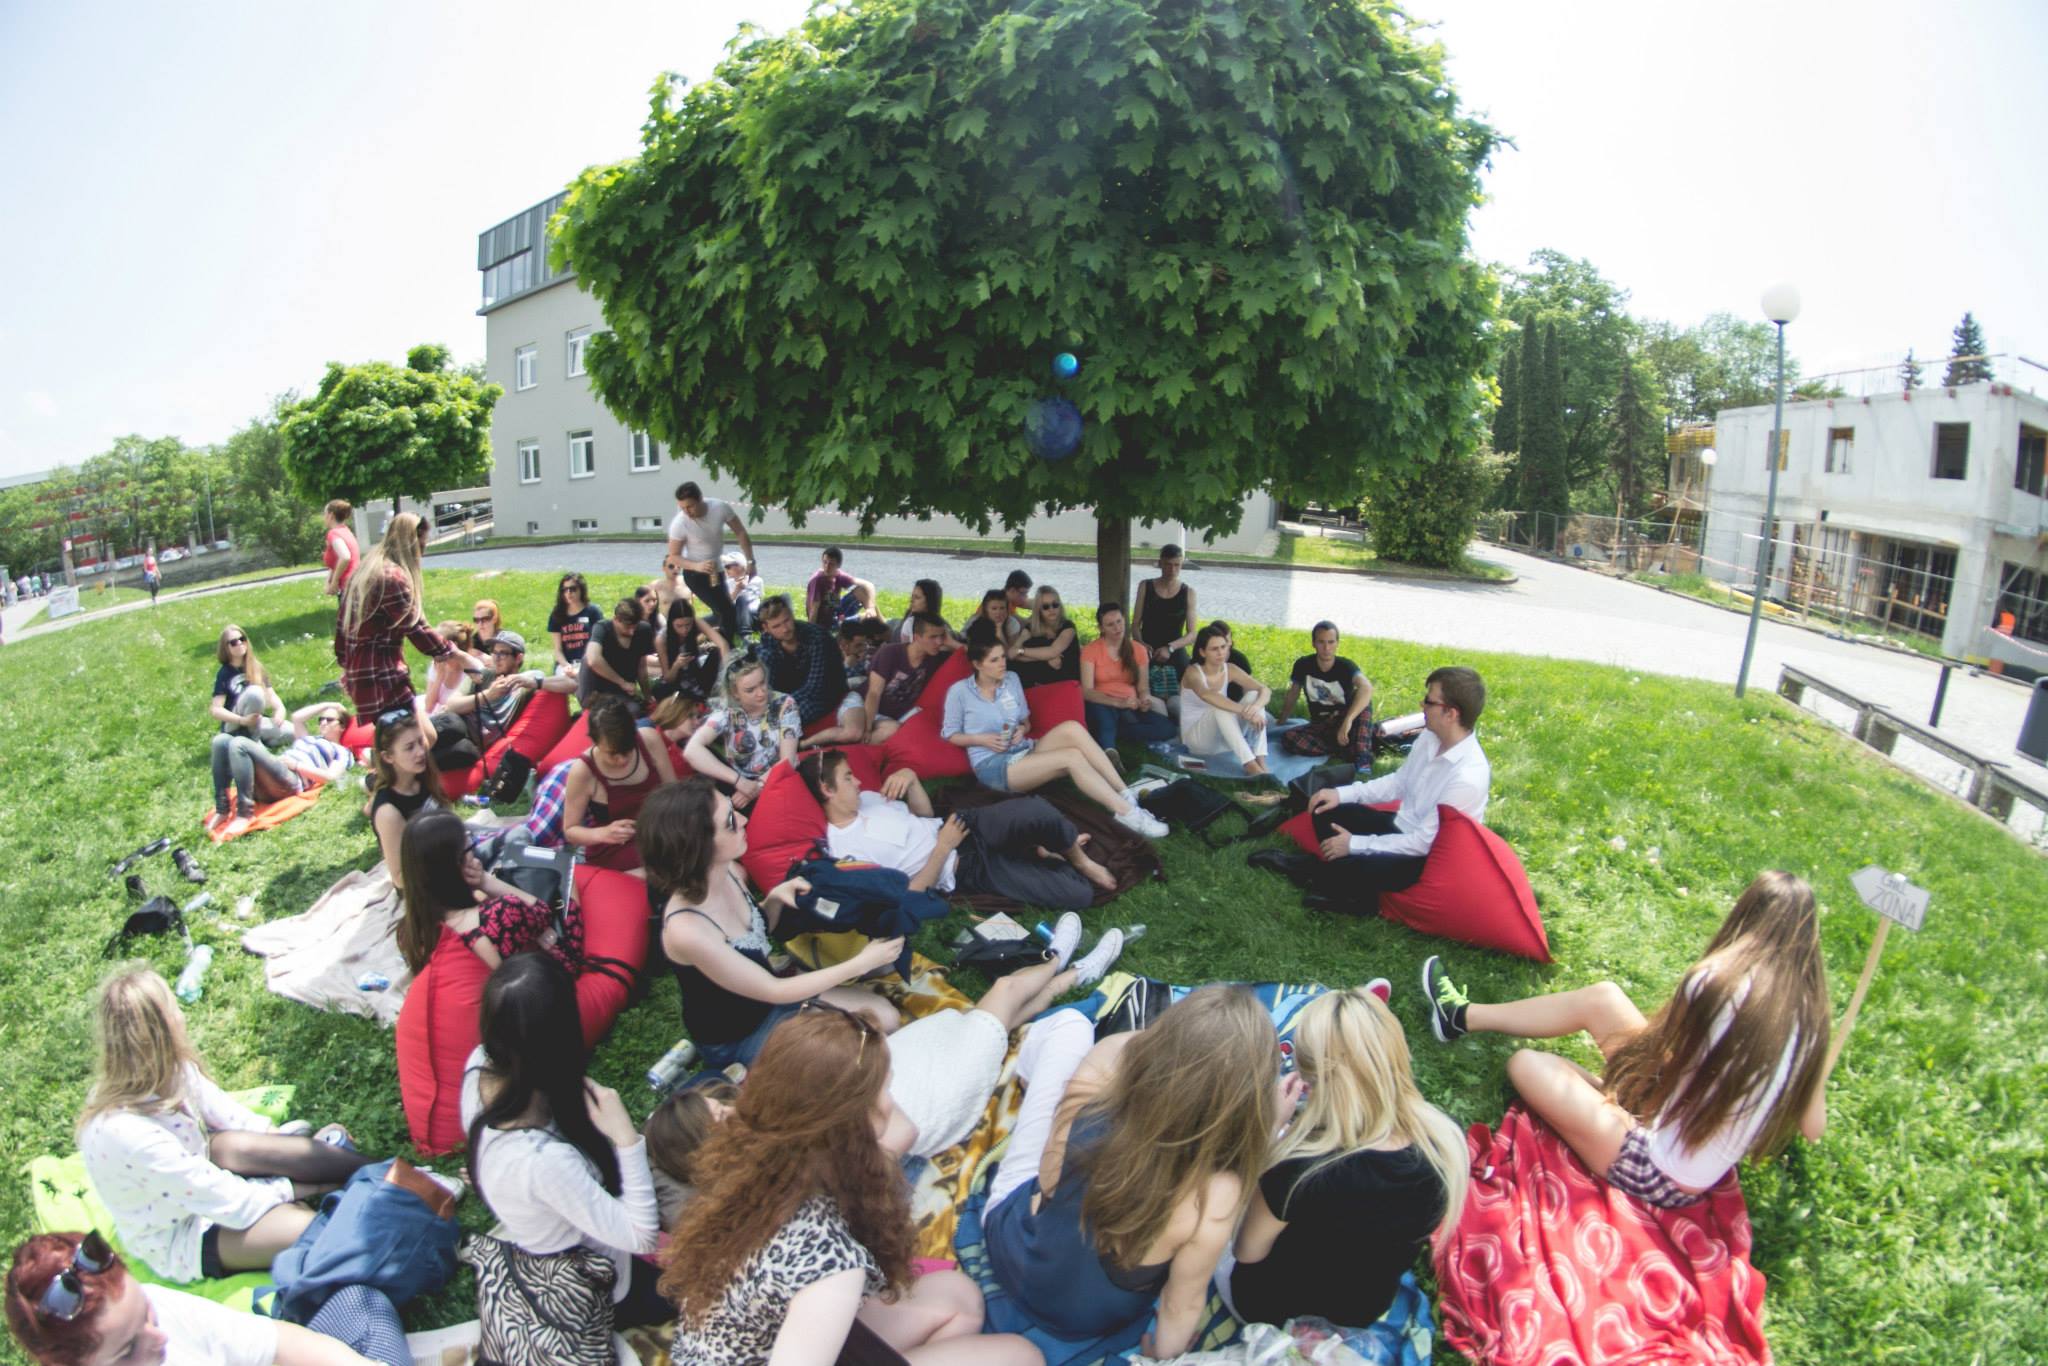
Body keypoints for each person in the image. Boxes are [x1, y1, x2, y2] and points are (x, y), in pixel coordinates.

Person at [1421, 869, 1832, 1209]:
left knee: (1527, 1064)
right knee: (1603, 999)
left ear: (1745, 918)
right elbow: (1813, 1128)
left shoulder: (1717, 982)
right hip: (1679, 1115)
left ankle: (1600, 1100)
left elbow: (1660, 1057)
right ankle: (1461, 1017)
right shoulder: (1811, 1023)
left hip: (1658, 1168)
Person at [663, 1011, 1043, 1366]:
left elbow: (901, 1131)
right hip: (774, 1349)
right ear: (851, 1120)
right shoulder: (829, 1264)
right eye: (885, 1089)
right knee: (1022, 1356)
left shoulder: (760, 1157)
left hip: (759, 1336)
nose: (892, 1101)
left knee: (959, 1297)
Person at [982, 986, 1282, 1358]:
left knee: (1071, 1024)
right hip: (1087, 1321)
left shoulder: (1103, 1079)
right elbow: (1181, 1304)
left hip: (1010, 1250)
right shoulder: (1217, 1194)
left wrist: (1176, 1047)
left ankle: (1027, 1076)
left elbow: (1048, 1180)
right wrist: (1161, 1355)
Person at [77, 968, 377, 1281]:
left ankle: (383, 1170)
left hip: (208, 1175)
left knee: (237, 1144)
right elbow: (231, 1203)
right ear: (162, 1031)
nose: (182, 1015)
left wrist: (294, 1151)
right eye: (174, 1008)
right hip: (187, 1233)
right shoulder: (129, 1136)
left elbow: (236, 1120)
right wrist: (306, 1185)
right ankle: (351, 1206)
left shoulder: (173, 1072)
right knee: (319, 1233)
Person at [1226, 986, 1467, 1336]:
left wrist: (1270, 1135)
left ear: (1312, 1081)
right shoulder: (1445, 1141)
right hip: (1361, 1311)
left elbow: (1246, 1251)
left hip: (1268, 1311)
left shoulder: (1296, 1170)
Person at [462, 954, 669, 1330]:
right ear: (562, 1033)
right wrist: (626, 1139)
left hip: (569, 1223)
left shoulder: (480, 1064)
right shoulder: (541, 1160)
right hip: (603, 1287)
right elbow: (641, 1237)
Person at [640, 779, 902, 1070]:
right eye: (730, 821)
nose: (743, 820)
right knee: (853, 1056)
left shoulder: (727, 871)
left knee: (885, 1017)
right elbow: (773, 989)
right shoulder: (688, 929)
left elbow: (753, 932)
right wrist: (860, 963)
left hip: (772, 995)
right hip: (741, 1033)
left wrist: (775, 899)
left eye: (733, 810)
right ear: (699, 846)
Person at [1250, 666, 1490, 916]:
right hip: (1401, 825)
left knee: (1365, 862)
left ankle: (1313, 873)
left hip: (1423, 855)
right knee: (1325, 808)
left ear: (1451, 713)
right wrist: (1340, 794)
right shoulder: (1431, 737)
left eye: (1429, 701)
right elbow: (1398, 783)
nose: (1422, 705)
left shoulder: (1466, 777)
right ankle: (1348, 886)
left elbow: (1422, 843)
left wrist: (1354, 844)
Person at [5, 1230, 402, 1366]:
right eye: (127, 1351)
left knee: (355, 1303)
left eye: (147, 1314)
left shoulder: (159, 1307)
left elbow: (276, 1344)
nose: (158, 1337)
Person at [805, 750, 1116, 908]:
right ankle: (1037, 850)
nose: (859, 782)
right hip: (963, 866)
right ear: (827, 790)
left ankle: (1079, 859)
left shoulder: (870, 799)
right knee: (1079, 895)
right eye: (848, 778)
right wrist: (943, 848)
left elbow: (924, 817)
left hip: (964, 825)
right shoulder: (846, 852)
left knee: (1037, 810)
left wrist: (911, 778)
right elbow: (906, 897)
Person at [942, 638, 1167, 838]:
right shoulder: (960, 692)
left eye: (1002, 657)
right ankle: (1127, 814)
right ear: (978, 664)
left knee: (1072, 728)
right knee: (1071, 757)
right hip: (993, 765)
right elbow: (950, 734)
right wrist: (982, 740)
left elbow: (1026, 721)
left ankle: (1125, 794)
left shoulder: (1011, 679)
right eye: (994, 660)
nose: (1003, 663)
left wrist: (1021, 729)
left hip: (1023, 749)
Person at [397, 810, 581, 977]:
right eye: (470, 847)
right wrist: (485, 881)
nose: (474, 852)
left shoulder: (408, 933)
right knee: (568, 880)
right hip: (537, 986)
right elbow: (542, 913)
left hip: (493, 990)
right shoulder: (502, 912)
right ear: (456, 865)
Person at [335, 512, 452, 744]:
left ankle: (381, 764)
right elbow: (415, 627)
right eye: (422, 545)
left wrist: (346, 664)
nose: (422, 553)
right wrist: (449, 651)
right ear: (411, 542)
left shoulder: (365, 570)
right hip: (382, 677)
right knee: (412, 747)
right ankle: (377, 768)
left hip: (365, 674)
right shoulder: (392, 577)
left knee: (424, 738)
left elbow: (342, 626)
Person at [560, 698, 678, 876]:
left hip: (658, 833)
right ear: (594, 741)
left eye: (628, 750)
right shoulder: (583, 771)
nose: (621, 760)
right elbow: (570, 831)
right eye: (613, 754)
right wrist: (604, 833)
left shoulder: (649, 740)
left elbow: (674, 792)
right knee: (666, 873)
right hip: (615, 848)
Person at [426, 629, 574, 759]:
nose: (496, 658)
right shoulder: (483, 675)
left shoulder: (524, 680)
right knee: (452, 724)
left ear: (518, 658)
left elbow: (573, 684)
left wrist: (535, 683)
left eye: (503, 653)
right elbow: (451, 705)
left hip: (473, 745)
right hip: (458, 726)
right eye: (494, 652)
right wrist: (488, 695)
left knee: (463, 752)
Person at [684, 657, 801, 810]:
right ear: (735, 693)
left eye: (762, 683)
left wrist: (756, 787)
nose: (761, 693)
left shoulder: (784, 704)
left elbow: (788, 760)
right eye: (750, 690)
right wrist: (739, 781)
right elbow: (691, 750)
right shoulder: (727, 711)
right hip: (739, 780)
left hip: (778, 777)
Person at [367, 707, 450, 891]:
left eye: (420, 742)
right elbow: (399, 878)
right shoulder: (388, 812)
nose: (420, 752)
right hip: (428, 887)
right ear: (388, 756)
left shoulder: (422, 778)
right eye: (409, 747)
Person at [1078, 602, 1175, 753]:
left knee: (1167, 728)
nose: (1117, 628)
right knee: (1105, 720)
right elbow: (1087, 691)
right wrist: (1118, 702)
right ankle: (1110, 753)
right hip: (1102, 702)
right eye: (1110, 624)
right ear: (1101, 628)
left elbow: (1143, 687)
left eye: (1119, 621)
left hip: (1130, 704)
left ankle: (1116, 733)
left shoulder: (1139, 649)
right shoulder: (1090, 650)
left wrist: (1144, 700)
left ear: (1124, 620)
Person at [1178, 623, 1272, 776]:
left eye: (1223, 647)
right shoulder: (1192, 672)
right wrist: (1245, 711)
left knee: (1254, 695)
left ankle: (1260, 759)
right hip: (1198, 742)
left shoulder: (1230, 668)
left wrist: (1255, 708)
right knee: (1219, 706)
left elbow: (1265, 690)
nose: (1221, 652)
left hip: (1226, 740)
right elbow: (1207, 695)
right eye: (1214, 649)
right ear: (1202, 652)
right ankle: (1250, 765)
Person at [665, 482, 758, 635]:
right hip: (695, 574)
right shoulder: (680, 523)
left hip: (717, 571)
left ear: (701, 499)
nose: (687, 512)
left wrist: (750, 561)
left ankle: (688, 629)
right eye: (682, 508)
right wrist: (697, 566)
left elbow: (740, 532)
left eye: (690, 506)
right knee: (726, 612)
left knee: (724, 612)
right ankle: (726, 643)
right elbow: (673, 557)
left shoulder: (720, 508)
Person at [1277, 621, 1373, 763]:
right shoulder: (1303, 664)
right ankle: (1344, 749)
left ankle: (1361, 755)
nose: (1326, 648)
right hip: (1321, 725)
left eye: (1331, 642)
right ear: (1313, 643)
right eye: (1321, 642)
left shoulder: (1346, 666)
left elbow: (1367, 688)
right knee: (1289, 738)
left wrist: (1348, 720)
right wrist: (1282, 720)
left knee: (1363, 700)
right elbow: (1293, 693)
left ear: (1337, 643)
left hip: (1345, 720)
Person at [864, 612, 954, 744]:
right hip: (868, 709)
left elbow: (977, 656)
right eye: (933, 637)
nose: (939, 642)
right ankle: (856, 747)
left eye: (942, 636)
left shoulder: (936, 657)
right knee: (888, 730)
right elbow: (874, 693)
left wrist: (952, 642)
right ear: (917, 637)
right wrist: (867, 728)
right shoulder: (890, 652)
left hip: (897, 718)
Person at [800, 618, 887, 749]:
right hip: (840, 701)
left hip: (862, 703)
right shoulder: (827, 657)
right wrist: (847, 666)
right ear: (844, 645)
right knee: (854, 731)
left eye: (864, 644)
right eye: (858, 645)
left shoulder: (862, 659)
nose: (863, 649)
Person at [757, 594, 842, 726]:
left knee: (795, 715)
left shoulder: (817, 639)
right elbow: (765, 675)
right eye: (776, 626)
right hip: (792, 687)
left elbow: (815, 687)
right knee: (764, 656)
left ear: (792, 615)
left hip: (823, 691)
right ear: (766, 628)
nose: (785, 629)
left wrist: (781, 704)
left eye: (787, 621)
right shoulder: (768, 639)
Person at [1130, 544, 1197, 686]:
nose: (1172, 570)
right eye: (1168, 564)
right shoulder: (1145, 586)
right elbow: (1135, 624)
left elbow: (1192, 634)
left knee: (1186, 683)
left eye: (1177, 565)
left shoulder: (1188, 592)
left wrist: (1170, 648)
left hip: (1174, 649)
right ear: (1160, 563)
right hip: (1147, 648)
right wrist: (1141, 644)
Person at [577, 596, 656, 712]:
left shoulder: (643, 630)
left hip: (622, 691)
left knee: (635, 710)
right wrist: (622, 683)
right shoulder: (602, 628)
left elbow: (641, 666)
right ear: (616, 619)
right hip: (599, 688)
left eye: (635, 627)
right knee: (586, 658)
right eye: (627, 627)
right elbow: (593, 660)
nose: (632, 632)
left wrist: (647, 695)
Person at [653, 596, 730, 703]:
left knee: (717, 653)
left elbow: (723, 644)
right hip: (676, 681)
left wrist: (726, 673)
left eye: (688, 625)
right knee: (660, 690)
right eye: (679, 626)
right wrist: (676, 665)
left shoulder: (696, 622)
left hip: (696, 676)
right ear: (671, 623)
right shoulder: (661, 639)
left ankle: (708, 692)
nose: (684, 630)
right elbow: (668, 678)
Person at [1009, 585, 1079, 689]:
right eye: (1046, 606)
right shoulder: (1031, 628)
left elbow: (1053, 651)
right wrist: (1045, 659)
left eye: (1055, 605)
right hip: (1040, 681)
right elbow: (1012, 655)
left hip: (1066, 682)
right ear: (1039, 609)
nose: (1051, 609)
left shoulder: (1068, 627)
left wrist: (1022, 651)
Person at [805, 547, 877, 631]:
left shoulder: (838, 575)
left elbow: (869, 585)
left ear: (838, 565)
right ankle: (879, 628)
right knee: (866, 618)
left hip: (836, 612)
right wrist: (811, 631)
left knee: (863, 592)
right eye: (825, 562)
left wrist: (871, 608)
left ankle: (882, 626)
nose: (827, 567)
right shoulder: (817, 580)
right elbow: (814, 608)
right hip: (826, 624)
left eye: (831, 564)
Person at [545, 572, 603, 674]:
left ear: (581, 590)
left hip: (588, 662)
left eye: (573, 589)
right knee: (566, 678)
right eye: (565, 590)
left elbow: (599, 643)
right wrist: (566, 666)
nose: (568, 593)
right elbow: (558, 650)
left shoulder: (593, 612)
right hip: (565, 664)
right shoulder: (557, 614)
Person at [889, 579, 962, 647]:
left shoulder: (941, 627)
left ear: (929, 601)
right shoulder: (909, 623)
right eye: (912, 597)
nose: (911, 601)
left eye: (917, 597)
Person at [321, 499, 358, 620]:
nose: (323, 517)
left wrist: (335, 581)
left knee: (349, 626)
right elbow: (335, 563)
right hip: (356, 584)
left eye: (324, 514)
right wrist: (329, 582)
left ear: (331, 515)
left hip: (348, 588)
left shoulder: (334, 534)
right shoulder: (346, 531)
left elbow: (345, 556)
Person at [718, 549, 764, 637]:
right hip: (738, 617)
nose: (726, 569)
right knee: (741, 599)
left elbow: (760, 598)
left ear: (741, 566)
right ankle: (745, 635)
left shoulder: (757, 580)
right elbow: (725, 605)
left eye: (728, 566)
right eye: (725, 567)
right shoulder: (727, 584)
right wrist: (737, 590)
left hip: (756, 615)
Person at [1002, 569, 1034, 638]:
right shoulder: (1001, 604)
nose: (1026, 596)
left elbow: (1034, 603)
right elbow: (1024, 624)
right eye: (1024, 593)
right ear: (1012, 591)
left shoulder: (1010, 597)